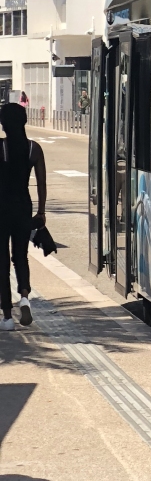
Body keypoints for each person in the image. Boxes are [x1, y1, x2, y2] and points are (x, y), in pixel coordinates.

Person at [0, 102, 45, 330]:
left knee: (1, 262)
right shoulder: (33, 149)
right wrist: (41, 211)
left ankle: (7, 316)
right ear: (25, 121)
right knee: (20, 256)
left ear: (3, 124)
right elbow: (41, 184)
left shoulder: (1, 148)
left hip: (1, 208)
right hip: (23, 206)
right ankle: (25, 297)